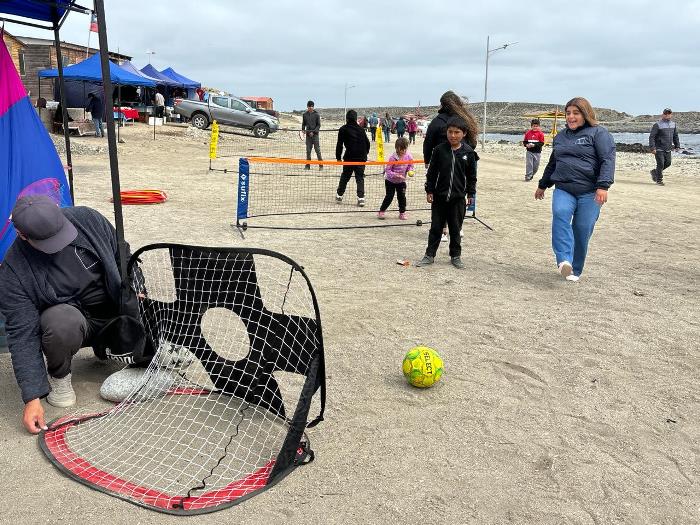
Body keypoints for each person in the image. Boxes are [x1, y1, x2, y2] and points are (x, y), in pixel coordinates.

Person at [0, 195, 145, 434]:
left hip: (113, 310)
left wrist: (137, 286)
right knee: (61, 322)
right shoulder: (14, 271)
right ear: (21, 235)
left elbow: (124, 255)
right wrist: (32, 397)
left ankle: (116, 349)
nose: (58, 244)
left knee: (150, 306)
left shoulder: (88, 219)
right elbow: (21, 334)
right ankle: (60, 377)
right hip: (74, 323)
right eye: (48, 241)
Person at [535, 97, 615, 282]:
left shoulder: (599, 134)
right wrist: (543, 185)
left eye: (575, 113)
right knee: (560, 213)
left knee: (582, 228)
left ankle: (575, 269)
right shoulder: (560, 137)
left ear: (585, 114)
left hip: (590, 192)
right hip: (564, 188)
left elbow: (607, 160)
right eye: (568, 113)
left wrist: (603, 186)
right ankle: (563, 260)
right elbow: (553, 163)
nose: (571, 117)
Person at [415, 117, 477, 270]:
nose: (453, 135)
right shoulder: (439, 150)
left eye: (457, 132)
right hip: (439, 197)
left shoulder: (468, 153)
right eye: (450, 132)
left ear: (464, 133)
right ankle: (429, 255)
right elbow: (432, 172)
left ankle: (455, 256)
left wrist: (471, 194)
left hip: (458, 199)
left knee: (456, 229)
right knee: (436, 228)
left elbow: (472, 176)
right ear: (446, 132)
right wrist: (429, 190)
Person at [422, 90, 480, 242]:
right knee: (459, 195)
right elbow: (473, 143)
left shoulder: (437, 121)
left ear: (442, 104)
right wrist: (467, 155)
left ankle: (443, 229)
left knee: (443, 196)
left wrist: (427, 161)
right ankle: (457, 227)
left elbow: (428, 143)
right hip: (465, 160)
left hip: (445, 162)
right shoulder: (465, 119)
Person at [335, 109, 370, 207]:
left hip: (350, 157)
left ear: (347, 119)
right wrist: (365, 154)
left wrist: (338, 158)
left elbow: (339, 145)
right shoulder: (361, 129)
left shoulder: (343, 129)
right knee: (360, 178)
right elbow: (367, 143)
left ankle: (339, 195)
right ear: (356, 118)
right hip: (361, 157)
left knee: (345, 176)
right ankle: (361, 199)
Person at [378, 137, 414, 220]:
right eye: (402, 149)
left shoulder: (408, 156)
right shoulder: (392, 158)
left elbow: (410, 165)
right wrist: (396, 175)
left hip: (401, 182)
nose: (403, 151)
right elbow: (387, 170)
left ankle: (402, 213)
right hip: (390, 181)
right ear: (397, 148)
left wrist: (410, 170)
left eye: (405, 149)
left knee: (402, 197)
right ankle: (381, 211)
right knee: (389, 196)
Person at [649, 108, 680, 186]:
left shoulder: (673, 124)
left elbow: (675, 136)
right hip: (659, 148)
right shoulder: (657, 125)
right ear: (663, 115)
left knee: (668, 163)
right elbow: (652, 137)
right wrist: (652, 148)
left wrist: (677, 146)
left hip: (668, 148)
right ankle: (659, 180)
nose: (667, 115)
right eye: (666, 114)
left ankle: (655, 172)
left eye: (669, 114)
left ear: (671, 115)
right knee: (661, 164)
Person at [302, 100, 323, 170]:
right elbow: (303, 124)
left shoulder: (317, 114)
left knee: (317, 150)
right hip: (308, 136)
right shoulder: (304, 115)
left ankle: (321, 165)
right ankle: (307, 165)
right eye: (309, 106)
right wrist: (303, 130)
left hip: (315, 135)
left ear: (313, 107)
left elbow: (319, 125)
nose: (310, 107)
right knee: (308, 151)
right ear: (307, 107)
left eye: (312, 106)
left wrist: (313, 132)